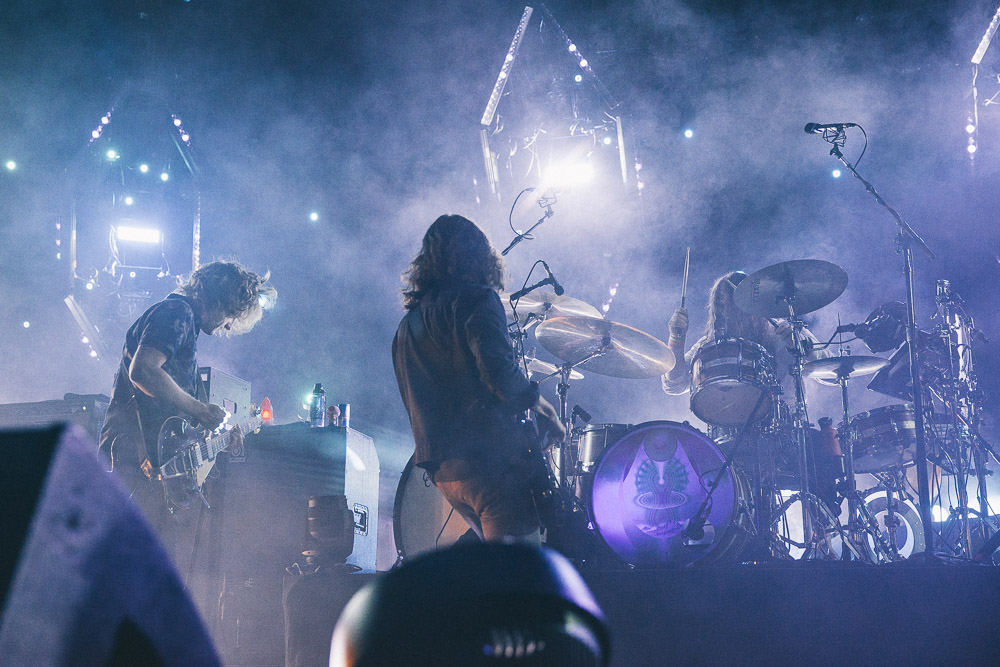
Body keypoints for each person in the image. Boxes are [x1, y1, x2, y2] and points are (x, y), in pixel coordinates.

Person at [392, 214, 565, 543]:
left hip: (444, 469)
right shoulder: (476, 298)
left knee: (497, 570)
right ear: (480, 255)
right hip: (487, 460)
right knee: (516, 576)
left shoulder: (407, 327)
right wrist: (544, 408)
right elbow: (498, 371)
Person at [99, 260, 276, 543]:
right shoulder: (175, 312)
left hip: (152, 466)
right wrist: (200, 409)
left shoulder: (182, 320)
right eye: (230, 314)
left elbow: (180, 427)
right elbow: (143, 371)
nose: (228, 326)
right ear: (217, 299)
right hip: (136, 457)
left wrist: (217, 441)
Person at [661, 270, 830, 402]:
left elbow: (833, 373)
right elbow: (674, 385)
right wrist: (676, 340)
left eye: (739, 307)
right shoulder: (710, 345)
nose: (733, 315)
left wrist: (802, 346)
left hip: (785, 431)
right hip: (730, 430)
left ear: (756, 304)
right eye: (723, 308)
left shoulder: (784, 332)